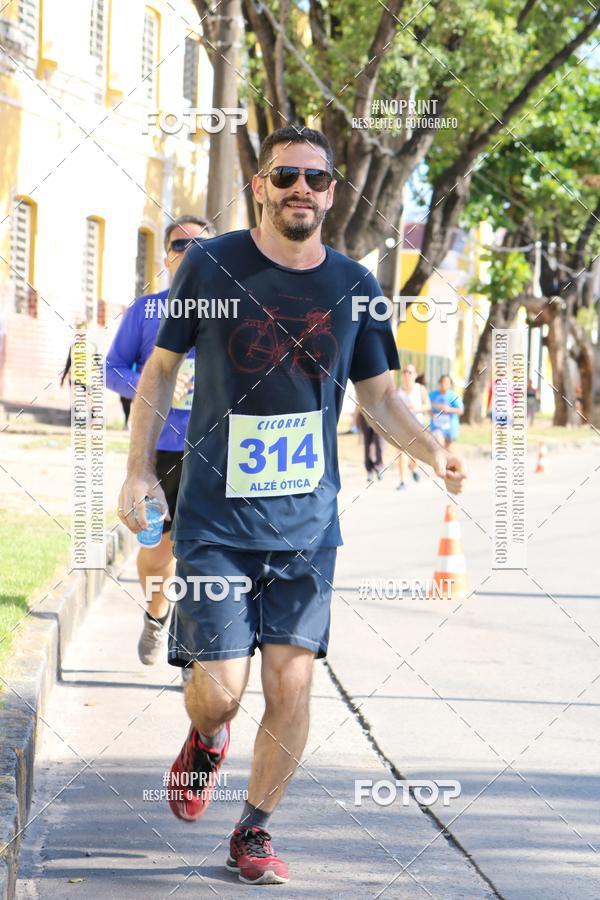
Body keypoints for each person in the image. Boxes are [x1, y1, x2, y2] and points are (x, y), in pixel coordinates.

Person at [118, 126, 465, 887]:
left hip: (308, 525)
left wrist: (433, 451)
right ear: (261, 186)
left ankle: (254, 830)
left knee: (292, 680)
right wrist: (139, 472)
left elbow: (380, 400)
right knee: (221, 694)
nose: (300, 189)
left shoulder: (355, 285)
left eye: (315, 177)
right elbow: (158, 373)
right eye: (285, 177)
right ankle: (206, 738)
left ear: (334, 191)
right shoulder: (210, 264)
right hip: (213, 521)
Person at [107, 214, 214, 665]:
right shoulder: (147, 310)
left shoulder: (233, 310)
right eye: (179, 244)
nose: (188, 252)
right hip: (161, 451)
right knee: (158, 552)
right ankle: (156, 613)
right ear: (166, 255)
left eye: (201, 246)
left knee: (208, 556)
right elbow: (111, 368)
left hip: (217, 453)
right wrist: (155, 383)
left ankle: (198, 651)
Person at [396, 363, 430, 490]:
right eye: (404, 371)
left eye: (410, 372)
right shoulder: (399, 391)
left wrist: (416, 408)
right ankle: (402, 481)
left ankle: (413, 467)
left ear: (415, 375)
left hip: (417, 426)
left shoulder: (420, 388)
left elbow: (428, 405)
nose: (406, 374)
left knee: (416, 453)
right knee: (401, 451)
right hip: (403, 427)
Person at [429, 374, 463, 450]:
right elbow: (427, 405)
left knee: (448, 452)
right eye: (443, 382)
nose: (445, 384)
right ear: (439, 383)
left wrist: (449, 409)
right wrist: (435, 408)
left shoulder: (453, 396)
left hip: (450, 428)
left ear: (450, 384)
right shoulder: (432, 395)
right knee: (439, 446)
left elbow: (460, 411)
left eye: (447, 382)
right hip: (436, 427)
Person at [357, 409, 383, 482]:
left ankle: (378, 466)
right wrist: (355, 420)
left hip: (378, 415)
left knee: (379, 443)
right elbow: (358, 402)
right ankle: (369, 470)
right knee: (367, 444)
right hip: (364, 414)